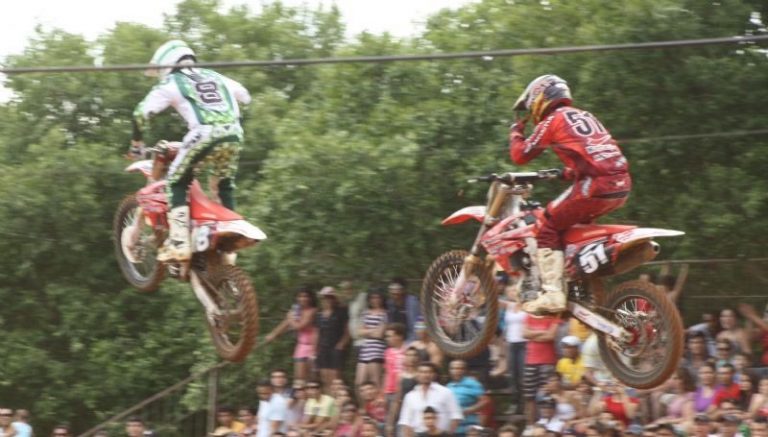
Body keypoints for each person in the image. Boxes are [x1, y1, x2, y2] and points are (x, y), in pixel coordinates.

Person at [509, 75, 631, 313]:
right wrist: (567, 172)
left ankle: (553, 294)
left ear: (540, 98)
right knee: (574, 227)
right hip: (622, 183)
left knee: (546, 226)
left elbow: (519, 155)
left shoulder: (553, 119)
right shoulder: (586, 116)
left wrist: (516, 132)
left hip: (595, 185)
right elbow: (597, 152)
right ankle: (582, 285)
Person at [129, 39, 252, 262]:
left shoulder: (172, 82)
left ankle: (179, 242)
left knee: (175, 182)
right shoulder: (214, 76)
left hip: (204, 134)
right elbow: (245, 96)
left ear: (166, 64)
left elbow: (140, 114)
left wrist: (136, 145)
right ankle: (230, 237)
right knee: (223, 183)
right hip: (234, 134)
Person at [265, 288, 318, 382]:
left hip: (313, 347)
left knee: (312, 379)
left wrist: (290, 318)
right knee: (299, 379)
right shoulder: (297, 310)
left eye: (305, 296)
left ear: (310, 298)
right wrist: (273, 334)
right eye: (300, 296)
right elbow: (285, 323)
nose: (303, 299)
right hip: (301, 346)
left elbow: (299, 326)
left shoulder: (313, 311)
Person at [398, 362, 463, 437]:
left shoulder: (445, 392)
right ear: (417, 375)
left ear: (434, 375)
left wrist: (448, 434)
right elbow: (405, 422)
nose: (425, 375)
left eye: (428, 372)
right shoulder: (410, 396)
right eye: (422, 372)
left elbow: (456, 416)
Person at [314, 286, 351, 392]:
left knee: (336, 378)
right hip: (323, 348)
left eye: (330, 297)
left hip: (336, 347)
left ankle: (338, 398)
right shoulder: (319, 315)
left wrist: (341, 345)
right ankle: (328, 398)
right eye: (325, 298)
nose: (328, 300)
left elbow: (347, 331)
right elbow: (317, 333)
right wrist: (315, 349)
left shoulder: (341, 312)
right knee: (324, 377)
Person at [356, 288, 389, 389]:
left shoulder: (385, 314)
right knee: (359, 382)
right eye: (373, 298)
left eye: (378, 297)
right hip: (365, 348)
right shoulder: (366, 313)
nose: (375, 300)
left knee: (375, 381)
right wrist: (373, 331)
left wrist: (367, 331)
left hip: (377, 349)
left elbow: (379, 334)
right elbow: (359, 332)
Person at [446, 359, 486, 436]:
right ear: (450, 370)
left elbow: (485, 400)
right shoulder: (448, 386)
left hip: (469, 428)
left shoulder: (472, 383)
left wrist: (469, 410)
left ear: (464, 370)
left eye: (459, 368)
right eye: (453, 368)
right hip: (454, 427)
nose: (456, 371)